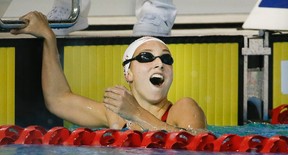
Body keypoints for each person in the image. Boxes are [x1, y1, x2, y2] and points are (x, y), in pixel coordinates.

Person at [11, 11, 207, 135]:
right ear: (128, 73)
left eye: (166, 59)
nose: (159, 64)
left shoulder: (183, 109)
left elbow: (196, 147)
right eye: (147, 57)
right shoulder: (115, 116)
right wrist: (49, 37)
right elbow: (58, 100)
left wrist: (136, 113)